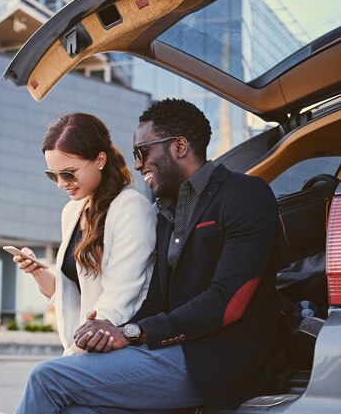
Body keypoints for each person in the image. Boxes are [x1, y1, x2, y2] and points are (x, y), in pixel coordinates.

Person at [15, 99, 282, 413]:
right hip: (169, 352)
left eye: (143, 152)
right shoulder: (166, 211)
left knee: (47, 378)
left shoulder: (245, 194)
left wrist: (132, 332)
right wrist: (109, 336)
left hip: (220, 359)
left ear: (179, 146)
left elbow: (227, 301)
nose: (137, 164)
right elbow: (156, 300)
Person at [13, 112, 156, 355]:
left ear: (100, 160)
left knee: (45, 379)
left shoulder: (131, 207)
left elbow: (120, 297)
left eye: (68, 173)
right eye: (53, 175)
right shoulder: (72, 211)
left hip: (120, 346)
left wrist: (72, 356)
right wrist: (38, 272)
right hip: (87, 345)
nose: (61, 183)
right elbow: (72, 296)